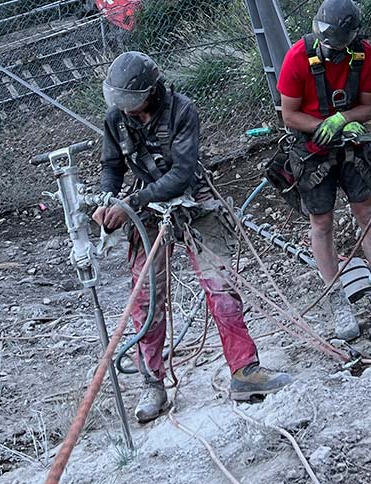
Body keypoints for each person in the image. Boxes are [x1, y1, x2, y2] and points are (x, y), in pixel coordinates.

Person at [92, 51, 292, 422]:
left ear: (151, 92)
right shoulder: (116, 119)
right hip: (145, 209)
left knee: (220, 286)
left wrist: (130, 202)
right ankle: (153, 384)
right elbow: (112, 165)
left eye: (133, 104)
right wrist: (108, 199)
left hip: (192, 201)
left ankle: (244, 371)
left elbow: (182, 173)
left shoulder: (181, 111)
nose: (129, 112)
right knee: (146, 297)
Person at [274, 0, 371, 340]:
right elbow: (289, 115)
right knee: (322, 221)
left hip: (351, 143)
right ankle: (336, 297)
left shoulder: (364, 58)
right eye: (325, 40)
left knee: (366, 210)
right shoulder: (298, 58)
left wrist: (343, 119)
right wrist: (323, 126)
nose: (329, 47)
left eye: (336, 43)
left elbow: (366, 108)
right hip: (312, 148)